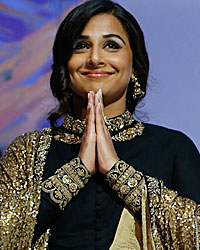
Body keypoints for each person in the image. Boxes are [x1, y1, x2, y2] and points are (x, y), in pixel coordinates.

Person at [0, 0, 200, 249]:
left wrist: (117, 172)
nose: (95, 58)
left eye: (111, 45)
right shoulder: (26, 151)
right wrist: (77, 171)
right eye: (82, 46)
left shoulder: (173, 148)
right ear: (65, 65)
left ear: (134, 67)